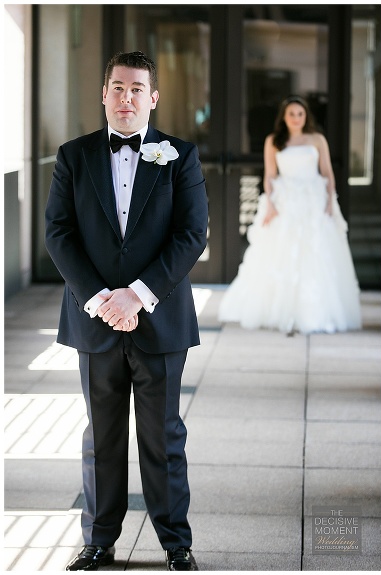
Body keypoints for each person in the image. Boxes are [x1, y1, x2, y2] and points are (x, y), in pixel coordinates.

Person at [45, 51, 207, 571]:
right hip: (93, 319)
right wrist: (100, 299)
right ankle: (98, 541)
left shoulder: (180, 155)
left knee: (163, 438)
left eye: (137, 89)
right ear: (103, 93)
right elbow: (59, 234)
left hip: (159, 321)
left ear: (153, 98)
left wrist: (136, 295)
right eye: (117, 87)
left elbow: (191, 235)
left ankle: (175, 543)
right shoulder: (74, 156)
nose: (126, 97)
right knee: (102, 438)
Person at [218, 96, 362, 333]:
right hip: (285, 200)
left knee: (315, 252)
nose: (296, 118)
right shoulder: (274, 140)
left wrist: (329, 202)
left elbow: (327, 171)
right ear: (284, 117)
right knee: (280, 252)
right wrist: (271, 205)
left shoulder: (317, 139)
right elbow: (270, 175)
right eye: (291, 114)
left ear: (306, 116)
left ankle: (314, 311)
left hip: (313, 199)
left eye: (300, 114)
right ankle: (279, 309)